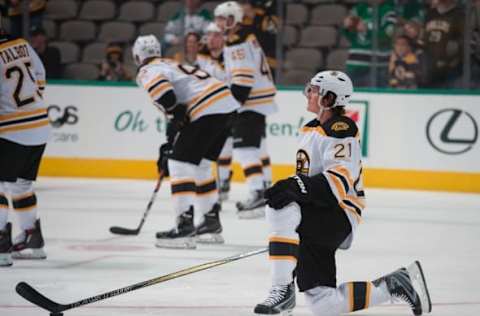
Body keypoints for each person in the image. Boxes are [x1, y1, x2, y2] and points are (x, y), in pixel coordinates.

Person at [253, 70, 432, 316]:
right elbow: (307, 182)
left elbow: (336, 185)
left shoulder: (341, 129)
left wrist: (295, 188)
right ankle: (397, 284)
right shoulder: (311, 129)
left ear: (327, 98)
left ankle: (282, 290)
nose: (308, 94)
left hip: (338, 213)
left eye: (314, 90)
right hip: (319, 213)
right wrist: (288, 245)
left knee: (280, 207)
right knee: (323, 304)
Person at [132, 35, 239, 249]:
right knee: (202, 165)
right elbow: (178, 112)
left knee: (179, 164)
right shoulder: (171, 63)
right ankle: (210, 222)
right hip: (227, 105)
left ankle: (184, 228)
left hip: (206, 108)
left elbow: (168, 98)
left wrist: (175, 123)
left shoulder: (147, 70)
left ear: (137, 56)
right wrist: (173, 137)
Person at [214, 1, 277, 218]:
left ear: (234, 19)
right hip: (259, 99)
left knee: (243, 148)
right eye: (218, 18)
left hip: (252, 101)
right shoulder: (241, 38)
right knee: (255, 148)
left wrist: (231, 106)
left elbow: (242, 81)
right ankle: (262, 192)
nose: (220, 23)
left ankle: (257, 193)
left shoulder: (237, 43)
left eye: (224, 18)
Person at [0, 14, 50, 267]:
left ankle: (0, 244)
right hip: (40, 125)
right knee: (21, 185)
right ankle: (32, 239)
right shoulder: (21, 43)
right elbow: (40, 73)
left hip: (11, 130)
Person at [196, 23, 234, 201]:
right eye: (209, 35)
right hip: (208, 108)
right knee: (208, 149)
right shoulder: (202, 58)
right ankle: (215, 182)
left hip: (229, 108)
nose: (212, 39)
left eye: (216, 35)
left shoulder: (231, 57)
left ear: (224, 38)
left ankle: (224, 179)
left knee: (225, 146)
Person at [342, 0, 397, 87]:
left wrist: (367, 30)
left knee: (378, 98)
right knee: (352, 97)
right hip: (354, 65)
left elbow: (387, 37)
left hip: (377, 67)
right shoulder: (358, 8)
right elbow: (351, 37)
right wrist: (346, 28)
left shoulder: (388, 11)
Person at [423, 0, 464, 88]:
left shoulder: (459, 14)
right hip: (430, 67)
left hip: (450, 68)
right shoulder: (430, 14)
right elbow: (424, 36)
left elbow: (463, 40)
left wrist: (453, 59)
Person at [240, 0, 279, 80]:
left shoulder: (269, 19)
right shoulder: (241, 21)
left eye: (244, 3)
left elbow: (271, 41)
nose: (241, 7)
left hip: (268, 63)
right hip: (247, 64)